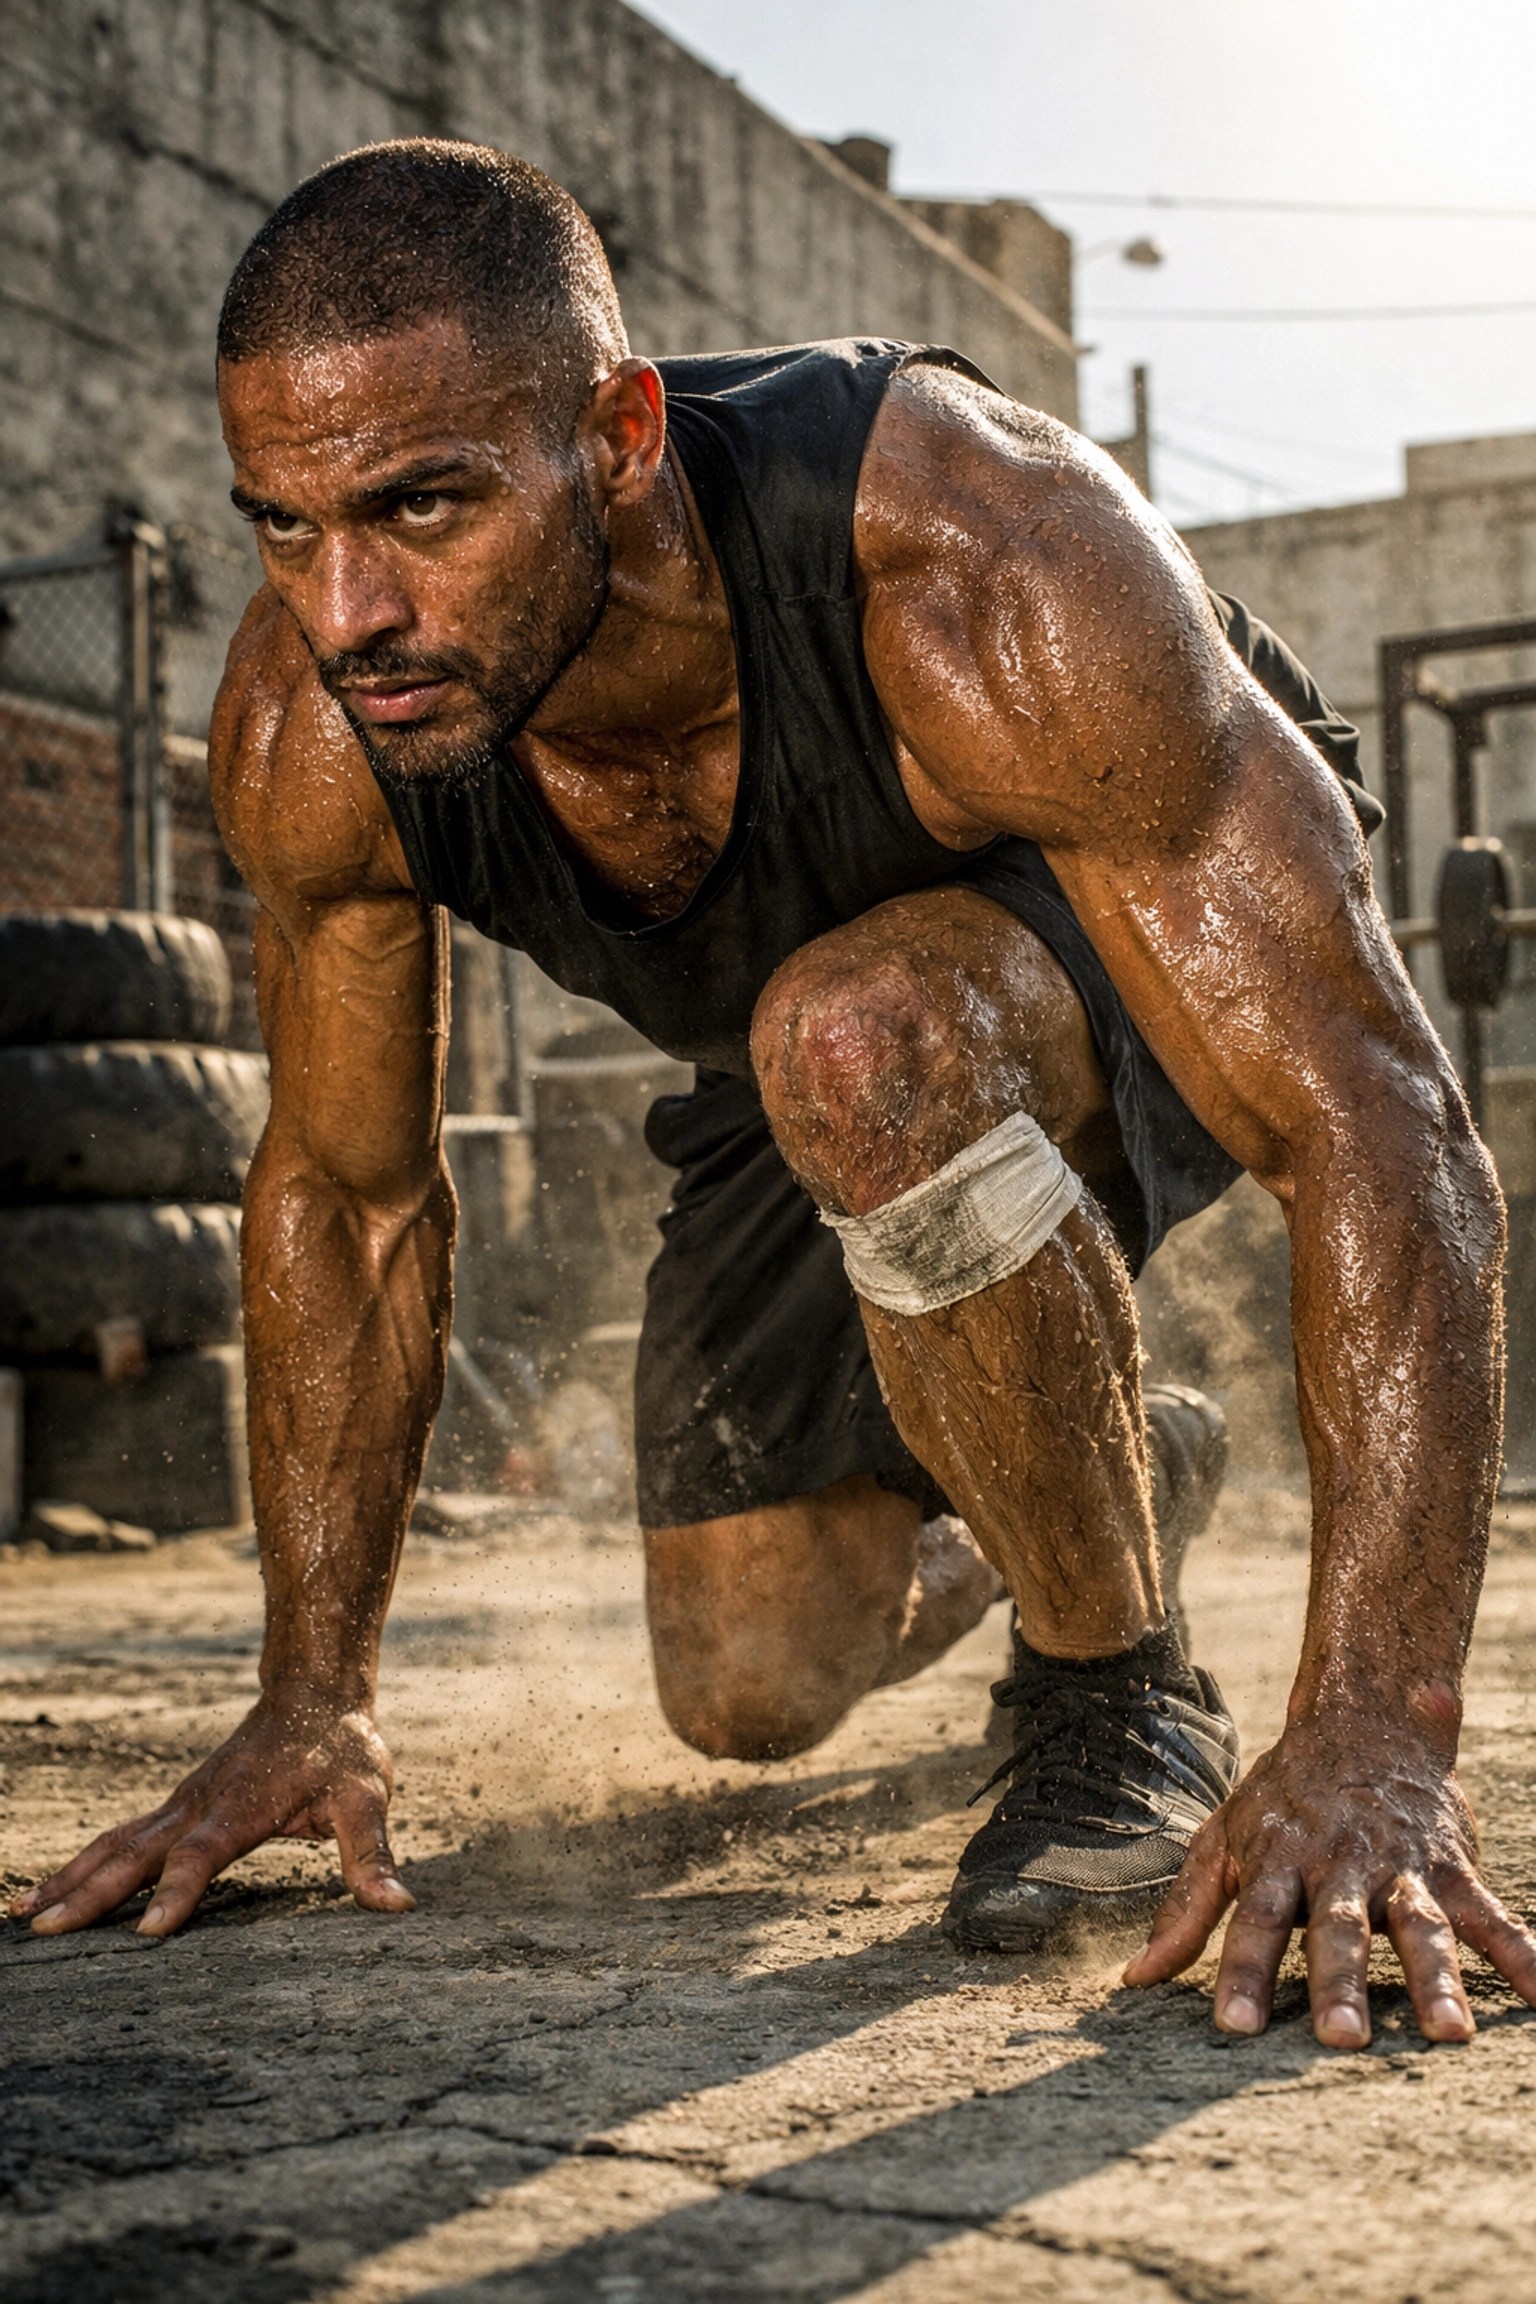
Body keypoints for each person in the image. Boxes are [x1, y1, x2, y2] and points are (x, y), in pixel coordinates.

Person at [13, 141, 1535, 2054]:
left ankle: (1116, 1695)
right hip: (821, 1044)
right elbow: (348, 1193)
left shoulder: (984, 562)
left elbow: (1384, 1124)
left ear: (626, 438)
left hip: (1110, 909)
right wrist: (313, 1693)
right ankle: (1096, 1461)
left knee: (859, 1038)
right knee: (746, 1681)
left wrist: (1381, 1731)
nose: (349, 609)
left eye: (423, 509)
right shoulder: (322, 726)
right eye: (283, 528)